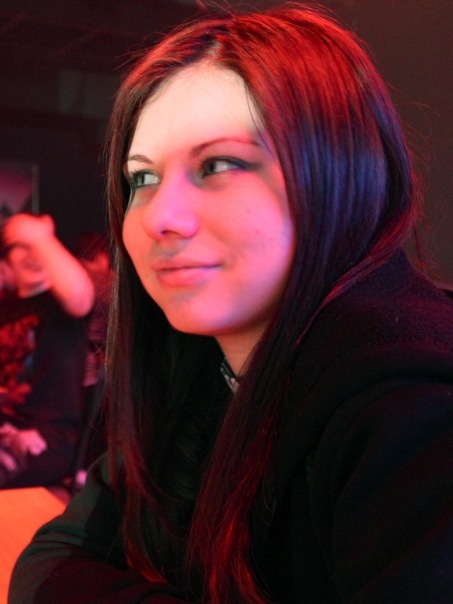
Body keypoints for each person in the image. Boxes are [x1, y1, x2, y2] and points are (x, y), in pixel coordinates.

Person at [9, 5, 453, 603]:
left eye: (218, 164)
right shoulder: (197, 366)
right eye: (142, 179)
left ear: (336, 174)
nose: (160, 217)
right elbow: (50, 560)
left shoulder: (415, 409)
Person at [0, 213, 94, 488]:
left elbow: (78, 296)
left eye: (39, 246)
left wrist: (38, 236)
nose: (33, 254)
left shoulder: (61, 305)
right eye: (22, 247)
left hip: (48, 439)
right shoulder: (6, 308)